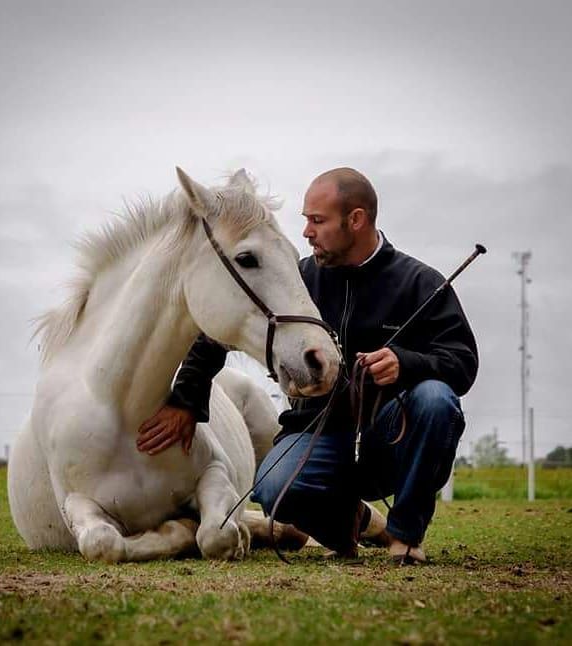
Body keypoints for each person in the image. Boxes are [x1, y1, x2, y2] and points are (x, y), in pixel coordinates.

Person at [136, 168, 478, 564]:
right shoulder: (297, 278)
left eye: (317, 220)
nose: (307, 232)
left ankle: (405, 535)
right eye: (305, 220)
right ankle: (346, 527)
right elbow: (217, 334)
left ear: (356, 219)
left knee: (436, 399)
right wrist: (185, 401)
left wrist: (407, 363)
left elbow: (463, 360)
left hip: (390, 437)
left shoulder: (419, 281)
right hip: (320, 431)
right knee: (273, 487)